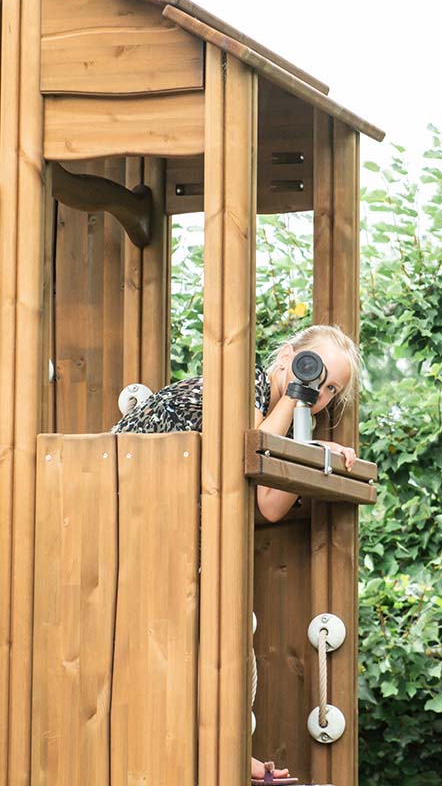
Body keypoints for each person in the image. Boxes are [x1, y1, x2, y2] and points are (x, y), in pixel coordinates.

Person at [111, 324, 360, 784]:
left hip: (174, 534)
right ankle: (220, 757)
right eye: (315, 372)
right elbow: (236, 461)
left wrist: (308, 455)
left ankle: (228, 756)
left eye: (330, 388)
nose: (319, 391)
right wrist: (297, 409)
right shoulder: (238, 386)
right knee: (198, 637)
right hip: (119, 512)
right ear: (287, 357)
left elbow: (266, 502)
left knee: (235, 627)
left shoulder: (285, 420)